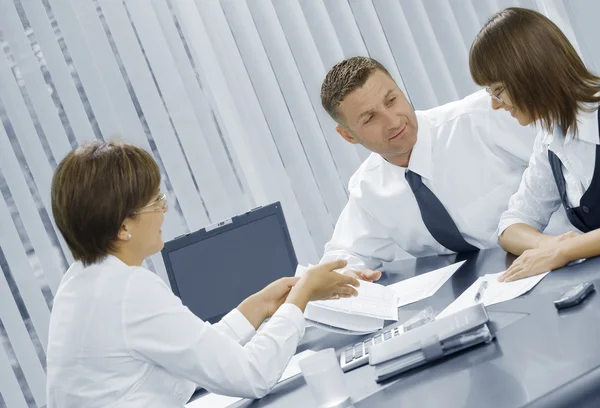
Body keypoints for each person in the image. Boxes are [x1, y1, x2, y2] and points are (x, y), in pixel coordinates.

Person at [45, 141, 360, 407]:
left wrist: (262, 305)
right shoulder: (129, 290)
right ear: (123, 226)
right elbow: (252, 377)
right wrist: (301, 297)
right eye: (156, 201)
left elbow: (196, 356)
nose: (165, 209)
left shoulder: (79, 284)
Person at [319, 56, 569, 278]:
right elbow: (341, 258)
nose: (393, 121)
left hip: (565, 261)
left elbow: (578, 160)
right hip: (492, 293)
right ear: (348, 135)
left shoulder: (484, 117)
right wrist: (347, 278)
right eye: (370, 118)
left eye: (392, 100)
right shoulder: (369, 187)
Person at [469, 7, 600, 282]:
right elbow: (512, 224)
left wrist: (566, 251)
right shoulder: (551, 139)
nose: (494, 104)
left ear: (530, 74)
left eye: (498, 90)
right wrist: (549, 247)